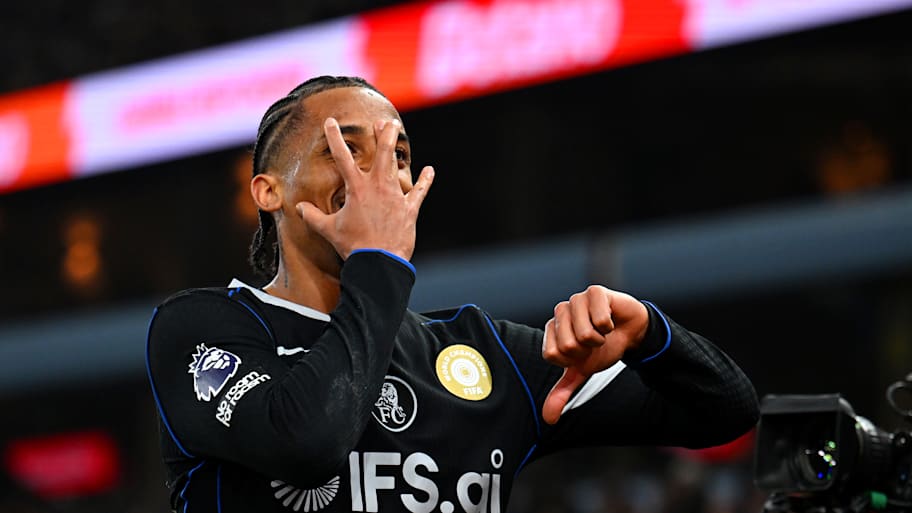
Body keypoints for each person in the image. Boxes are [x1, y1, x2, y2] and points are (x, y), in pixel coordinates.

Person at [146, 75, 759, 513]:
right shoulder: (202, 330)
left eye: (398, 155)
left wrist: (652, 335)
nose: (378, 174)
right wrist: (378, 262)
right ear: (268, 192)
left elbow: (725, 412)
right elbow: (306, 442)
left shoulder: (486, 354)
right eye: (347, 148)